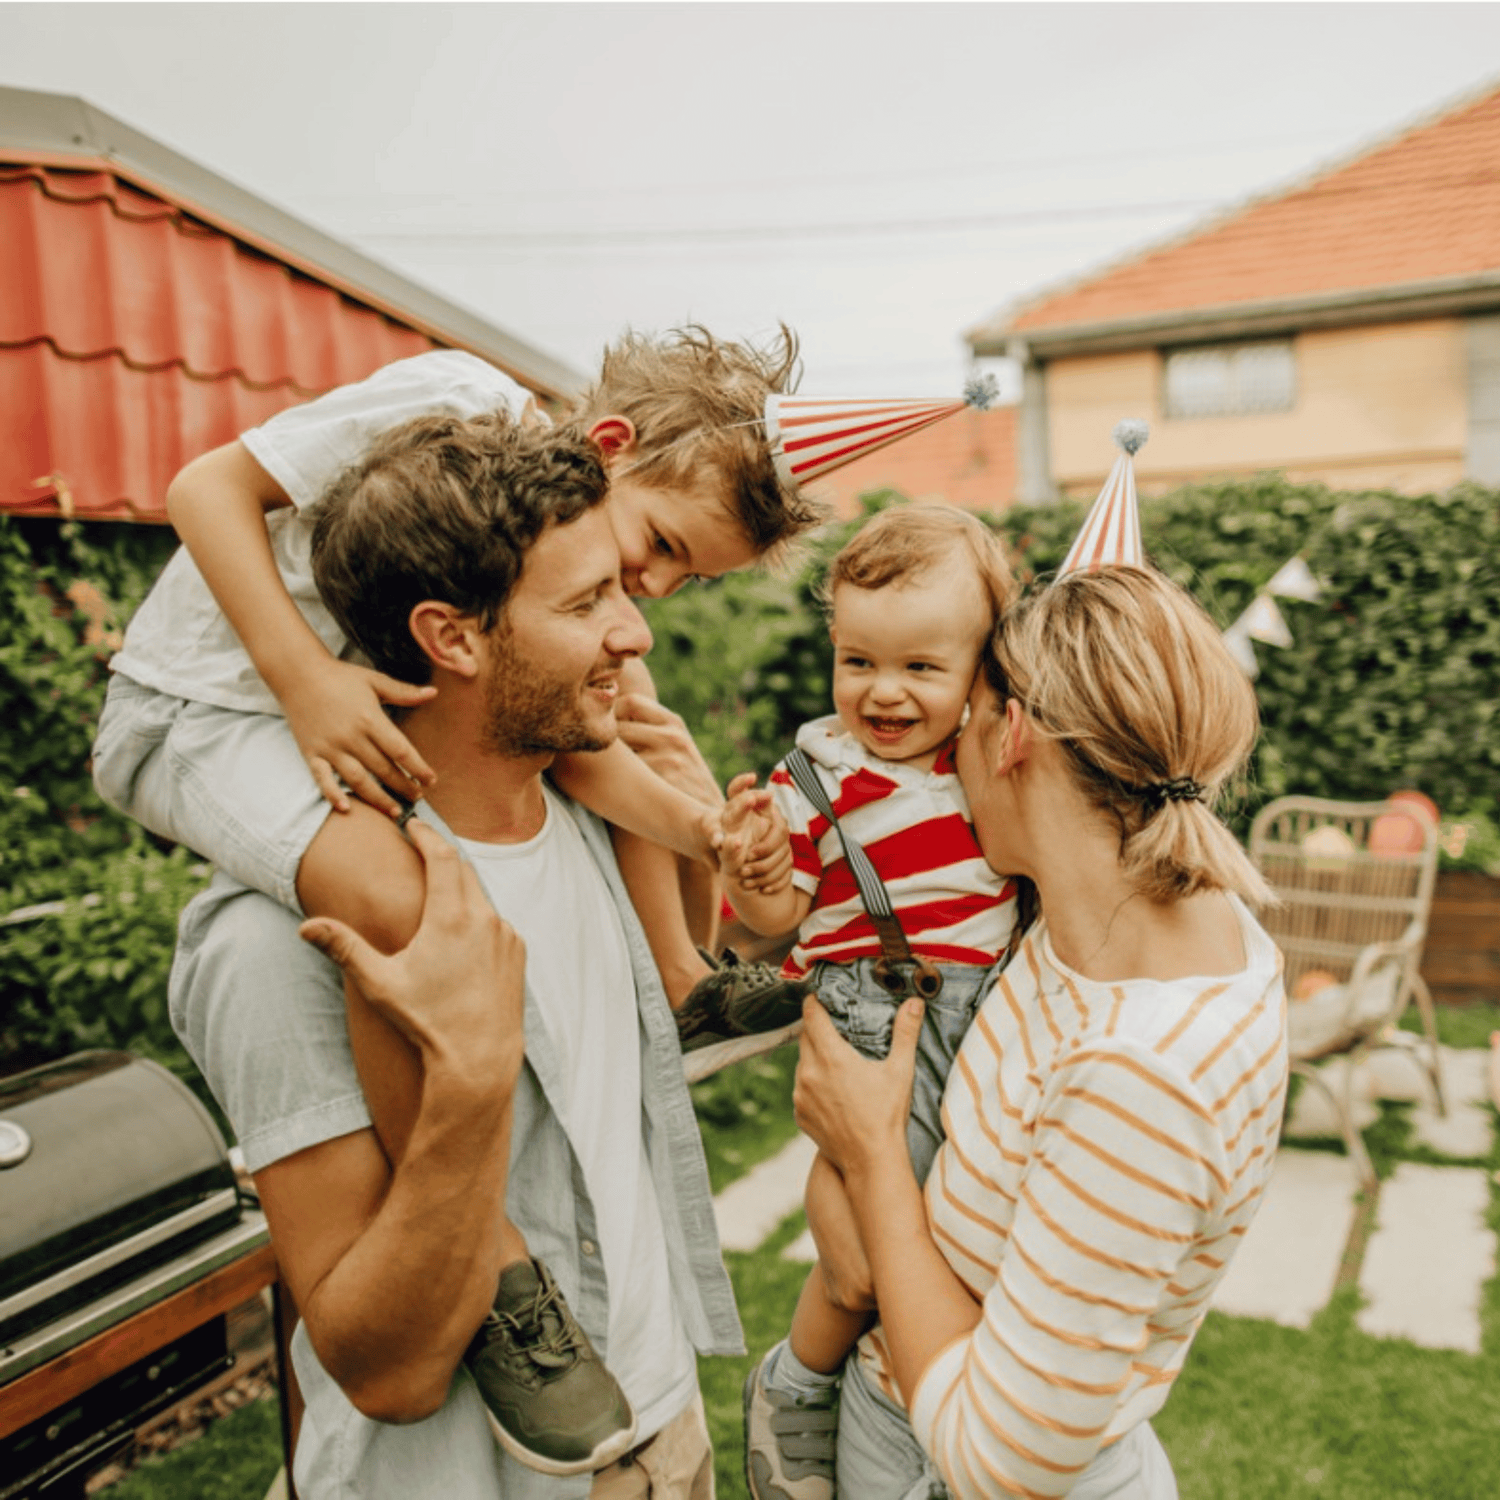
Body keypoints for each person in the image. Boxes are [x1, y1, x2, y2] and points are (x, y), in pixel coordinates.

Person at [170, 410, 744, 1498]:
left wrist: (705, 846)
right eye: (586, 604)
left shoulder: (587, 830)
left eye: (622, 586)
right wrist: (470, 1083)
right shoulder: (282, 942)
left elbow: (635, 1066)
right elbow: (383, 1369)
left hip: (664, 1439)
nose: (639, 635)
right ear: (455, 636)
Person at [94, 327, 822, 1066]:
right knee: (390, 892)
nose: (659, 588)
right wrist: (306, 678)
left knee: (619, 699)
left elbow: (580, 749)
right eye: (665, 546)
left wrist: (705, 830)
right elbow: (206, 489)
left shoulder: (552, 538)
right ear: (610, 445)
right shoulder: (460, 401)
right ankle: (438, 1106)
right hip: (204, 708)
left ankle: (680, 980)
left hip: (349, 701)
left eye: (691, 578)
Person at [785, 564, 1289, 1500]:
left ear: (1008, 732)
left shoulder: (1143, 1075)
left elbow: (1000, 1465)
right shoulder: (1095, 922)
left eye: (960, 722)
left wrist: (870, 1156)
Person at [718, 505, 1021, 1500]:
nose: (883, 694)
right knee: (865, 1246)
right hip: (869, 1007)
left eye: (920, 669)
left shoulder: (992, 758)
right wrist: (757, 861)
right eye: (858, 662)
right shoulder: (816, 775)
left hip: (986, 1010)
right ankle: (801, 1384)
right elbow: (774, 911)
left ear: (982, 667)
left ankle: (904, 1405)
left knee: (953, 1232)